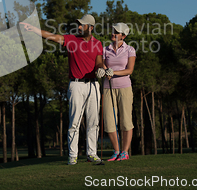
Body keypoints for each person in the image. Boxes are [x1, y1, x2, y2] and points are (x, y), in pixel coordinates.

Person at [20, 14, 104, 165]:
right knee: (74, 122)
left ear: (90, 27)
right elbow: (52, 36)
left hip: (93, 85)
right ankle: (73, 155)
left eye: (82, 25)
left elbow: (99, 62)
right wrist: (33, 29)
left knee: (93, 122)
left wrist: (103, 69)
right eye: (78, 24)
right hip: (76, 85)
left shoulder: (97, 43)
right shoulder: (71, 40)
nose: (79, 27)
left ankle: (92, 154)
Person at [102, 23, 136, 161]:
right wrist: (104, 70)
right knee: (109, 121)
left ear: (124, 36)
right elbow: (103, 64)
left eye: (117, 32)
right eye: (113, 31)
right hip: (108, 88)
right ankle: (116, 151)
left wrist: (113, 72)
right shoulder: (105, 49)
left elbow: (129, 70)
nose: (113, 33)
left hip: (125, 88)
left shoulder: (130, 49)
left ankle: (125, 152)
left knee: (126, 121)